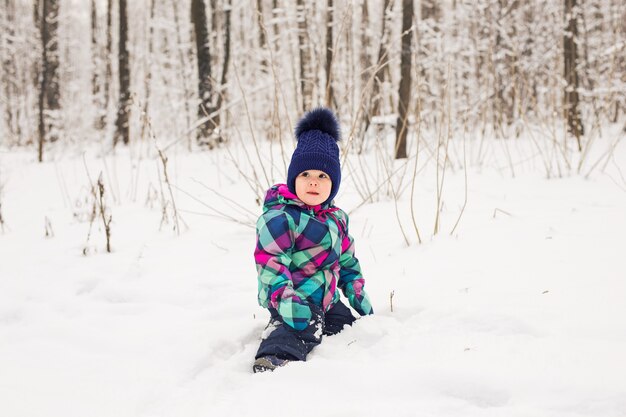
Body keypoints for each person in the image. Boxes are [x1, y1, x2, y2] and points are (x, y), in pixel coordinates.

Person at [252, 107, 373, 373]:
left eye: (322, 176)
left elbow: (347, 260)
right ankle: (274, 357)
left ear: (334, 184)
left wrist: (356, 291)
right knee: (295, 331)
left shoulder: (337, 218)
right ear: (294, 178)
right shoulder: (281, 217)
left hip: (327, 300)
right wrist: (286, 301)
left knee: (348, 330)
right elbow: (271, 264)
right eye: (305, 175)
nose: (313, 182)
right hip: (292, 300)